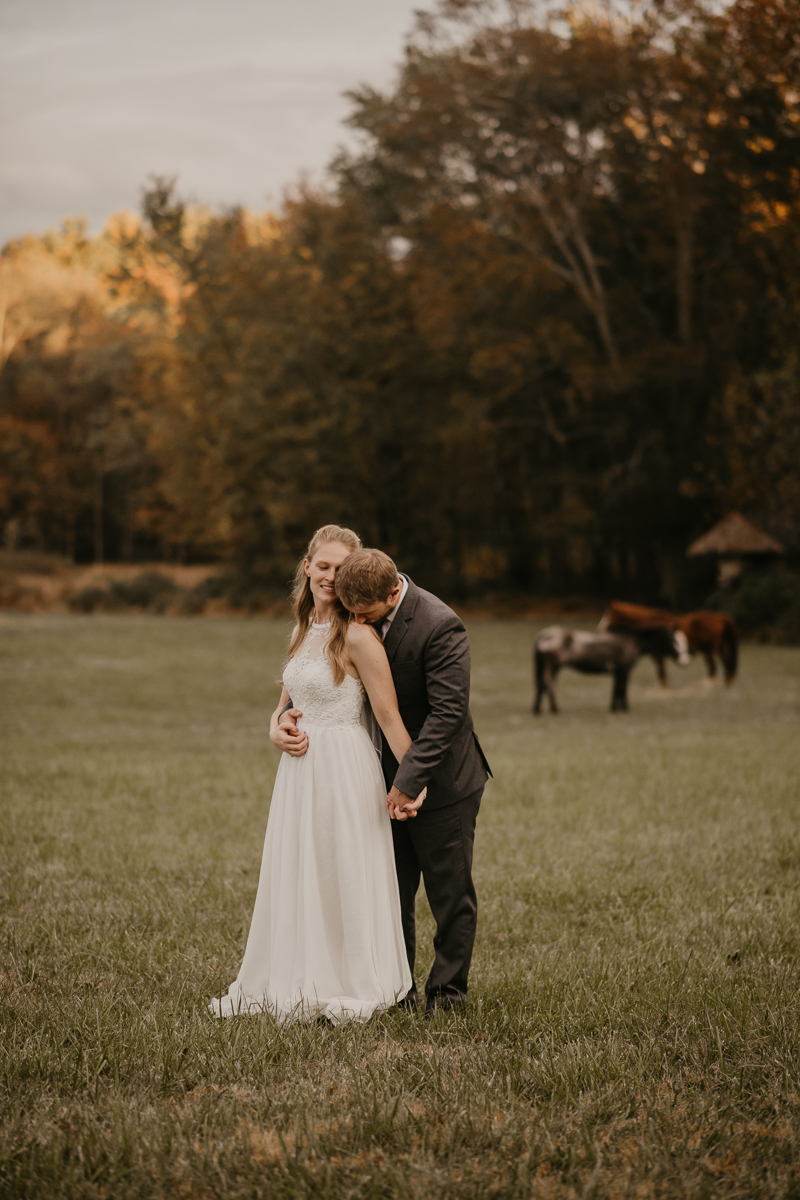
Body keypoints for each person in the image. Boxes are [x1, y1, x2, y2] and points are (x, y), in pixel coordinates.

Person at [210, 524, 421, 1024]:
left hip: (344, 768)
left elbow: (389, 717)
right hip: (299, 775)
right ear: (306, 567)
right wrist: (275, 726)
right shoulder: (302, 630)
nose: (329, 577)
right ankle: (300, 968)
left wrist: (414, 781)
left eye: (340, 569)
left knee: (341, 868)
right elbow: (288, 702)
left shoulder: (358, 635)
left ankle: (348, 979)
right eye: (322, 566)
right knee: (303, 870)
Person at [278, 548, 491, 1015]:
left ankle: (447, 996)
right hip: (371, 781)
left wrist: (411, 782)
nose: (357, 621)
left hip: (443, 780)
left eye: (366, 615)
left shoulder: (440, 625)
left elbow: (448, 714)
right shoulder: (358, 598)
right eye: (351, 613)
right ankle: (398, 990)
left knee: (449, 893)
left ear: (393, 591)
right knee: (389, 890)